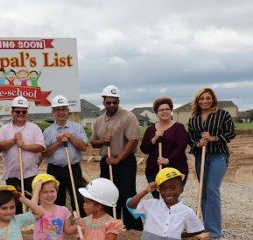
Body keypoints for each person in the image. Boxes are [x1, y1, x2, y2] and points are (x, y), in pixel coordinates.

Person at [90, 85, 142, 230]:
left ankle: (133, 228)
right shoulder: (99, 121)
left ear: (118, 101)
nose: (112, 105)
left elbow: (133, 141)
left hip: (125, 162)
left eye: (115, 102)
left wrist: (118, 159)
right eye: (109, 102)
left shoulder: (128, 117)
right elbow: (93, 142)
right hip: (106, 162)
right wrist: (102, 141)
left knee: (127, 194)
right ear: (104, 102)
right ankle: (113, 224)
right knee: (108, 193)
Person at [187, 87, 236, 239]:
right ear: (197, 101)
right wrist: (198, 144)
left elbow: (231, 133)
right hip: (201, 157)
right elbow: (191, 139)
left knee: (212, 189)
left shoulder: (223, 115)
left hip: (218, 156)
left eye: (208, 98)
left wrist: (213, 138)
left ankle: (214, 232)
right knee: (203, 191)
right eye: (201, 99)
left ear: (213, 99)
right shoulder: (193, 120)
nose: (205, 101)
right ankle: (205, 228)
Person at [42, 95, 89, 217]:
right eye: (58, 109)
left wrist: (70, 136)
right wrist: (58, 142)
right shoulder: (48, 131)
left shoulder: (77, 128)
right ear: (53, 113)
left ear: (68, 111)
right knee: (57, 199)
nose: (61, 112)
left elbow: (84, 147)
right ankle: (59, 223)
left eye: (63, 109)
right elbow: (44, 153)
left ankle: (81, 222)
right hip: (54, 170)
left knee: (78, 198)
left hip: (73, 168)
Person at [0, 96, 45, 206]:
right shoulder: (4, 129)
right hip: (11, 174)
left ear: (27, 113)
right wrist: (13, 140)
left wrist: (24, 146)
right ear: (12, 112)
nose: (21, 114)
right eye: (17, 111)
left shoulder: (34, 128)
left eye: (24, 111)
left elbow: (41, 147)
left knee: (33, 204)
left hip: (30, 174)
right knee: (14, 205)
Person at [139, 98, 190, 199]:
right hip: (154, 170)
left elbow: (181, 147)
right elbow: (144, 149)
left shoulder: (178, 127)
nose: (165, 111)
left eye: (167, 109)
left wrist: (167, 160)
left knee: (171, 199)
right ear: (156, 113)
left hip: (175, 170)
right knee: (157, 199)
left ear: (171, 111)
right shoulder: (150, 130)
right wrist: (154, 138)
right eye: (161, 110)